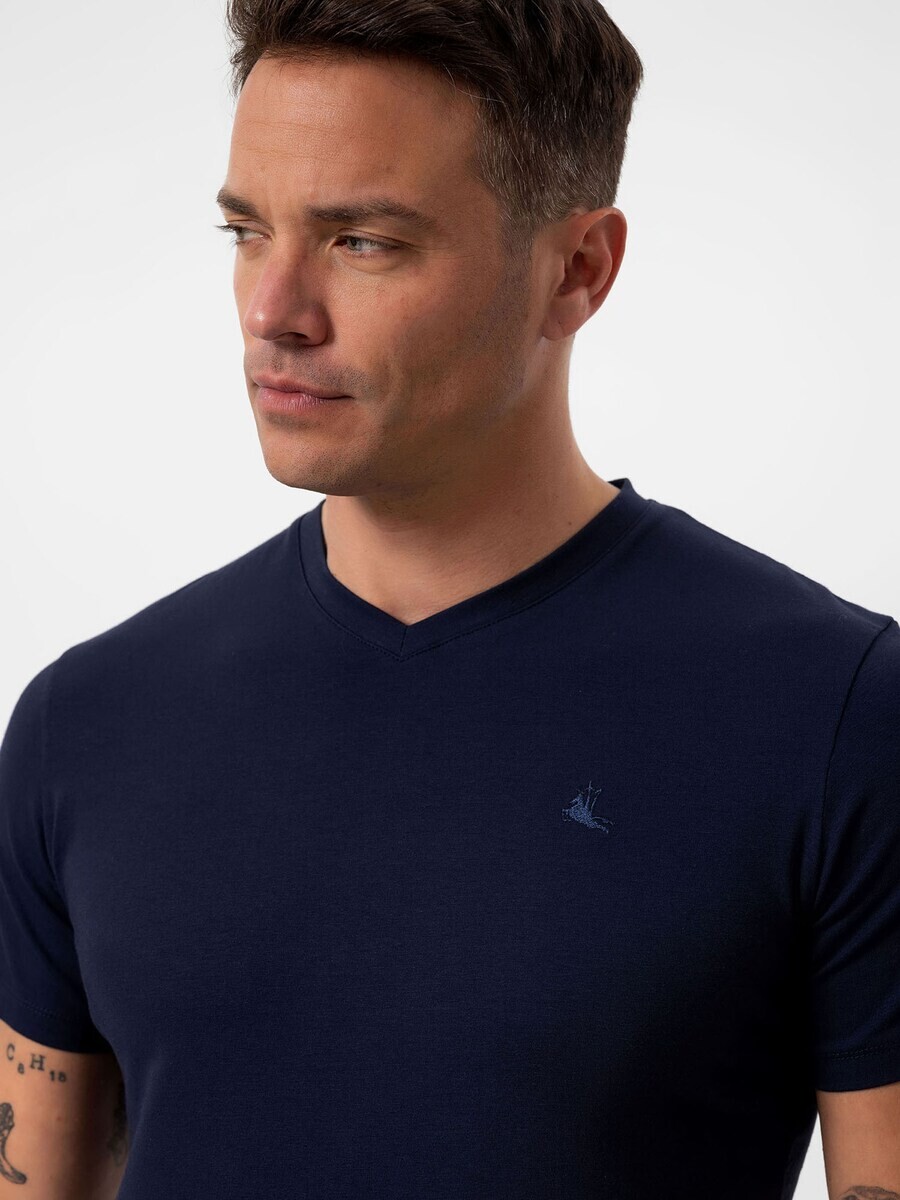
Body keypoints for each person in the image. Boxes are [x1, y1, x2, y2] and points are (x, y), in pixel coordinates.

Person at [1, 2, 898, 1197]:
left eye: (363, 241)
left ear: (577, 270)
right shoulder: (85, 724)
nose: (273, 310)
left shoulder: (833, 715)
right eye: (246, 230)